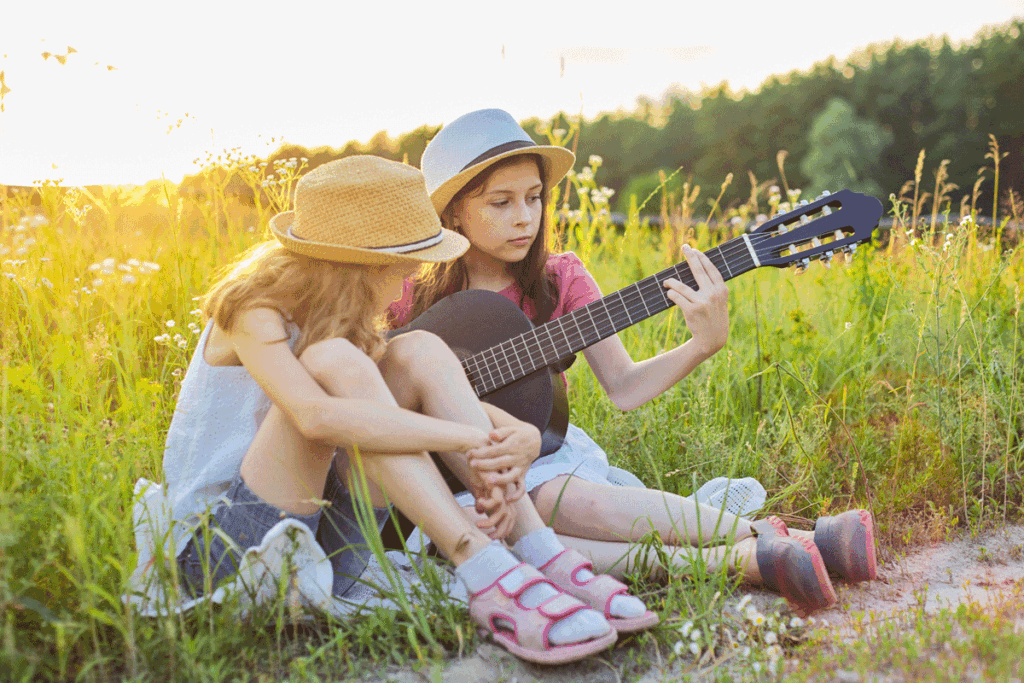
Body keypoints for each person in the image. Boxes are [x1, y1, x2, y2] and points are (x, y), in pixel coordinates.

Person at [135, 155, 664, 665]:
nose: (403, 285)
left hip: (328, 547)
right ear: (358, 266)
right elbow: (315, 418)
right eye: (400, 270)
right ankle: (480, 564)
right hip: (228, 551)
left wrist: (513, 435)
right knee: (337, 361)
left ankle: (537, 547)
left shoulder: (340, 314)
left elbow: (434, 383)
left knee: (421, 350)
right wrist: (463, 440)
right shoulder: (254, 309)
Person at [386, 109, 877, 614]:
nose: (524, 217)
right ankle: (762, 554)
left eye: (534, 197)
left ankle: (771, 544)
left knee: (567, 503)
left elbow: (623, 387)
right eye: (500, 202)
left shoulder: (561, 279)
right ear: (452, 215)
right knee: (508, 541)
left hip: (542, 458)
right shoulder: (405, 295)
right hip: (444, 472)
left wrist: (700, 346)